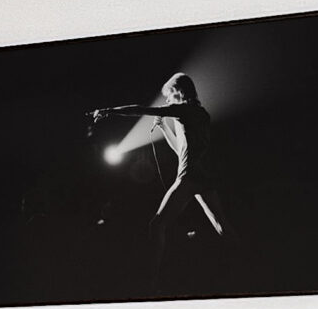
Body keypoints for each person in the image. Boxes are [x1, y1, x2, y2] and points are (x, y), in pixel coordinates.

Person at [88, 71, 224, 239]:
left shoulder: (183, 110)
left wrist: (109, 111)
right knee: (220, 224)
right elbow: (180, 150)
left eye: (169, 95)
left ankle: (153, 266)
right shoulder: (201, 113)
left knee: (157, 225)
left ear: (178, 91)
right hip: (203, 176)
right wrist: (164, 127)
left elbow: (140, 109)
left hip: (188, 177)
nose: (167, 100)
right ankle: (245, 258)